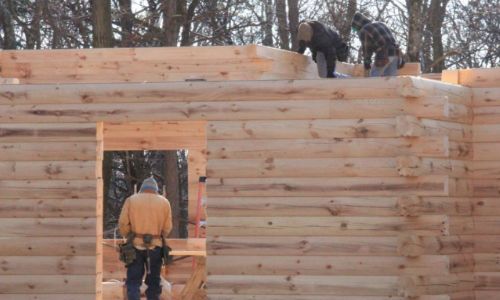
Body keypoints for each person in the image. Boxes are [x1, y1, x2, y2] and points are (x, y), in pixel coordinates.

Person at [119, 177, 172, 300]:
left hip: (135, 246)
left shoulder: (131, 200)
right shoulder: (164, 202)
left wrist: (129, 236)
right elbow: (167, 227)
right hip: (155, 247)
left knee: (133, 281)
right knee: (154, 281)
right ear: (156, 190)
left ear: (142, 189)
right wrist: (159, 236)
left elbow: (123, 223)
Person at [351, 12, 405, 77]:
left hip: (384, 54)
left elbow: (367, 48)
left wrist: (367, 60)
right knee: (391, 81)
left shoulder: (364, 30)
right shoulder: (381, 23)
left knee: (374, 78)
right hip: (396, 54)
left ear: (358, 25)